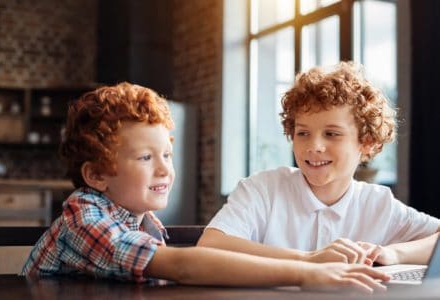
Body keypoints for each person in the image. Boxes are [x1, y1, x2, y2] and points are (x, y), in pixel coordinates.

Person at [21, 82, 388, 293]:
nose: (166, 169)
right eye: (146, 158)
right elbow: (181, 264)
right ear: (97, 175)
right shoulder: (83, 216)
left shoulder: (141, 221)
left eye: (167, 153)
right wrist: (307, 268)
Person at [198, 62, 440, 267]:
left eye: (332, 134)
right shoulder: (263, 189)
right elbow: (210, 245)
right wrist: (309, 259)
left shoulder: (379, 205)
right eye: (303, 133)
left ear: (366, 142)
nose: (314, 146)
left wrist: (393, 253)